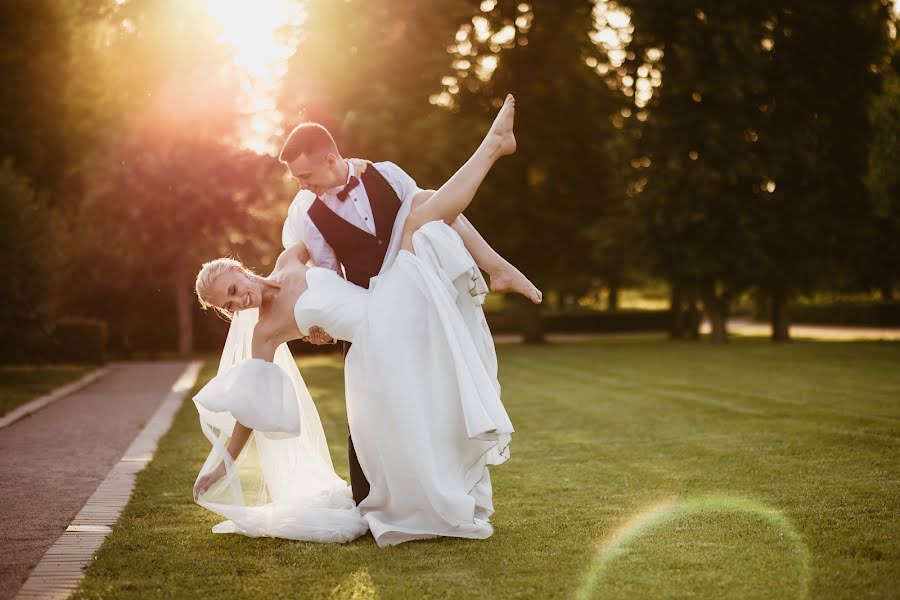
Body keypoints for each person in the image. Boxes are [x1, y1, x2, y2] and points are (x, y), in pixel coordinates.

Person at [192, 95, 518, 546]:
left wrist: (357, 166)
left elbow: (319, 226)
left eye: (232, 289)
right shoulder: (265, 334)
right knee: (422, 212)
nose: (238, 301)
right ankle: (492, 151)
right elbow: (250, 406)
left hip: (384, 303)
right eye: (228, 306)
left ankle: (497, 220)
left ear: (239, 270)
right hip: (375, 333)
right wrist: (221, 462)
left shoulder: (291, 259)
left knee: (421, 208)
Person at [278, 110, 540, 506]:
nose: (302, 185)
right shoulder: (311, 216)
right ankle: (368, 499)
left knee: (429, 204)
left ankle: (443, 491)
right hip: (369, 310)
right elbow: (328, 276)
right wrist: (321, 322)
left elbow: (440, 220)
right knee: (364, 412)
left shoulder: (387, 173)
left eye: (305, 175)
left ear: (330, 159)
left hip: (414, 294)